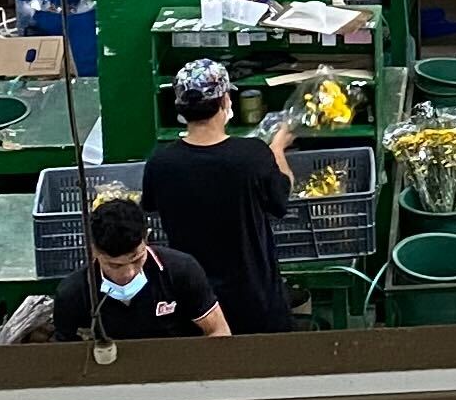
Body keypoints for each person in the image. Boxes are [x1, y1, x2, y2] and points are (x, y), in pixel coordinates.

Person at [139, 58, 293, 335]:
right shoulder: (252, 155)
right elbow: (281, 200)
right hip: (254, 298)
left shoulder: (161, 163)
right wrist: (278, 149)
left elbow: (149, 206)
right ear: (225, 100)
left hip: (195, 302)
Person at [51, 193, 229, 343]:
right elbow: (64, 356)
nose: (128, 273)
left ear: (146, 238)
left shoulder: (181, 271)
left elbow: (218, 331)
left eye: (136, 259)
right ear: (93, 251)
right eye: (114, 265)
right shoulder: (73, 293)